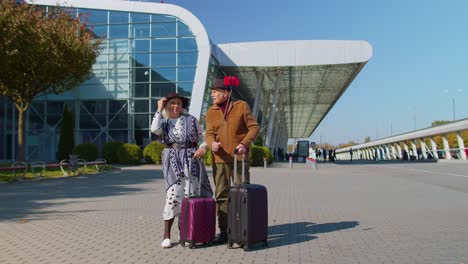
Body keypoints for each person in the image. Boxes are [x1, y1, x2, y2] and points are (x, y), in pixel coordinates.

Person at [150, 92, 213, 249]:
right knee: (173, 196)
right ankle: (166, 235)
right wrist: (158, 108)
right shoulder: (163, 122)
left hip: (191, 160)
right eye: (172, 103)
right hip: (172, 161)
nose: (175, 106)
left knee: (189, 196)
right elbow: (154, 129)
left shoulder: (191, 120)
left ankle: (185, 233)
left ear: (182, 105)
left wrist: (203, 148)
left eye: (178, 103)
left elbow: (204, 136)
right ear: (166, 105)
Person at [205, 78, 260, 244]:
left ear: (225, 93)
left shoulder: (241, 106)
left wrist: (244, 144)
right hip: (220, 159)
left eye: (215, 92)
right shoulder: (211, 111)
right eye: (212, 92)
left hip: (239, 159)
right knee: (221, 195)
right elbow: (208, 133)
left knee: (242, 194)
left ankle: (242, 230)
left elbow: (254, 127)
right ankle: (225, 232)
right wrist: (211, 143)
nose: (212, 95)